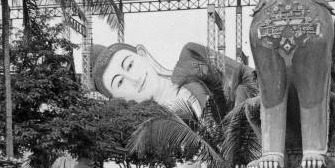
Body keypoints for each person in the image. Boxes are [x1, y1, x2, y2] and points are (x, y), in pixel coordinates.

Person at [91, 41, 255, 115]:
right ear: (116, 99)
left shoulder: (192, 58)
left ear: (142, 54)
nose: (133, 79)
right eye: (120, 82)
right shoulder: (155, 130)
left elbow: (248, 76)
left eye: (130, 65)